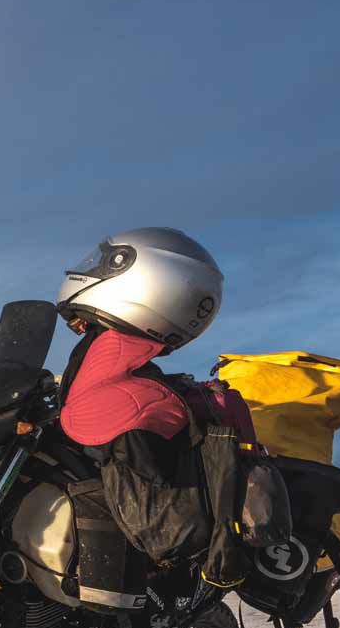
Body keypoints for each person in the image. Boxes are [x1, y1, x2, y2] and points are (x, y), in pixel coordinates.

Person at [52, 227, 225, 606]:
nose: (91, 270)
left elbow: (83, 413)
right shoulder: (111, 357)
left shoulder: (126, 379)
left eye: (106, 263)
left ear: (149, 280)